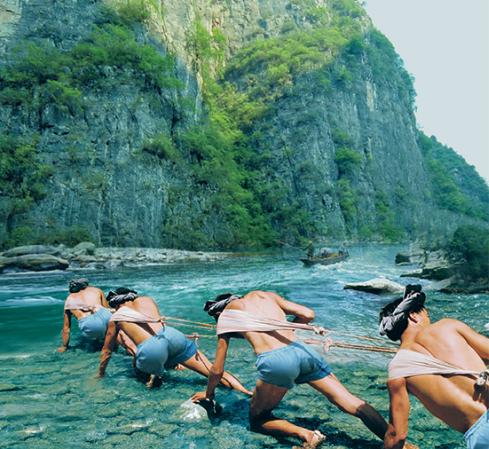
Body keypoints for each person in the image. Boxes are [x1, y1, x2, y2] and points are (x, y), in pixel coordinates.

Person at [192, 290, 390, 449]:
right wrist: (287, 332)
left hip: (277, 362)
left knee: (257, 420)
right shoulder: (263, 294)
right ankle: (399, 442)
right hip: (303, 351)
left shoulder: (225, 317)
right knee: (352, 402)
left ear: (218, 312)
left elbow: (217, 370)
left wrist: (209, 394)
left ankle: (307, 435)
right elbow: (308, 314)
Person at [379, 285, 489, 449]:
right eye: (426, 315)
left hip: (480, 435)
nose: (429, 319)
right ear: (413, 316)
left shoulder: (396, 370)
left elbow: (397, 435)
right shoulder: (447, 326)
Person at [98, 287, 251, 395]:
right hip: (171, 336)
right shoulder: (147, 300)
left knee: (138, 369)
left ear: (117, 304)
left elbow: (107, 351)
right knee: (212, 370)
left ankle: (154, 381)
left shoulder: (116, 317)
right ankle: (245, 392)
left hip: (151, 348)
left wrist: (101, 374)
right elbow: (158, 325)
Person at [57, 278, 112, 352]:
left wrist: (64, 346)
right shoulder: (97, 290)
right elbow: (106, 308)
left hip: (90, 323)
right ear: (86, 285)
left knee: (95, 338)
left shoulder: (69, 299)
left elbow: (66, 329)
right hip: (106, 315)